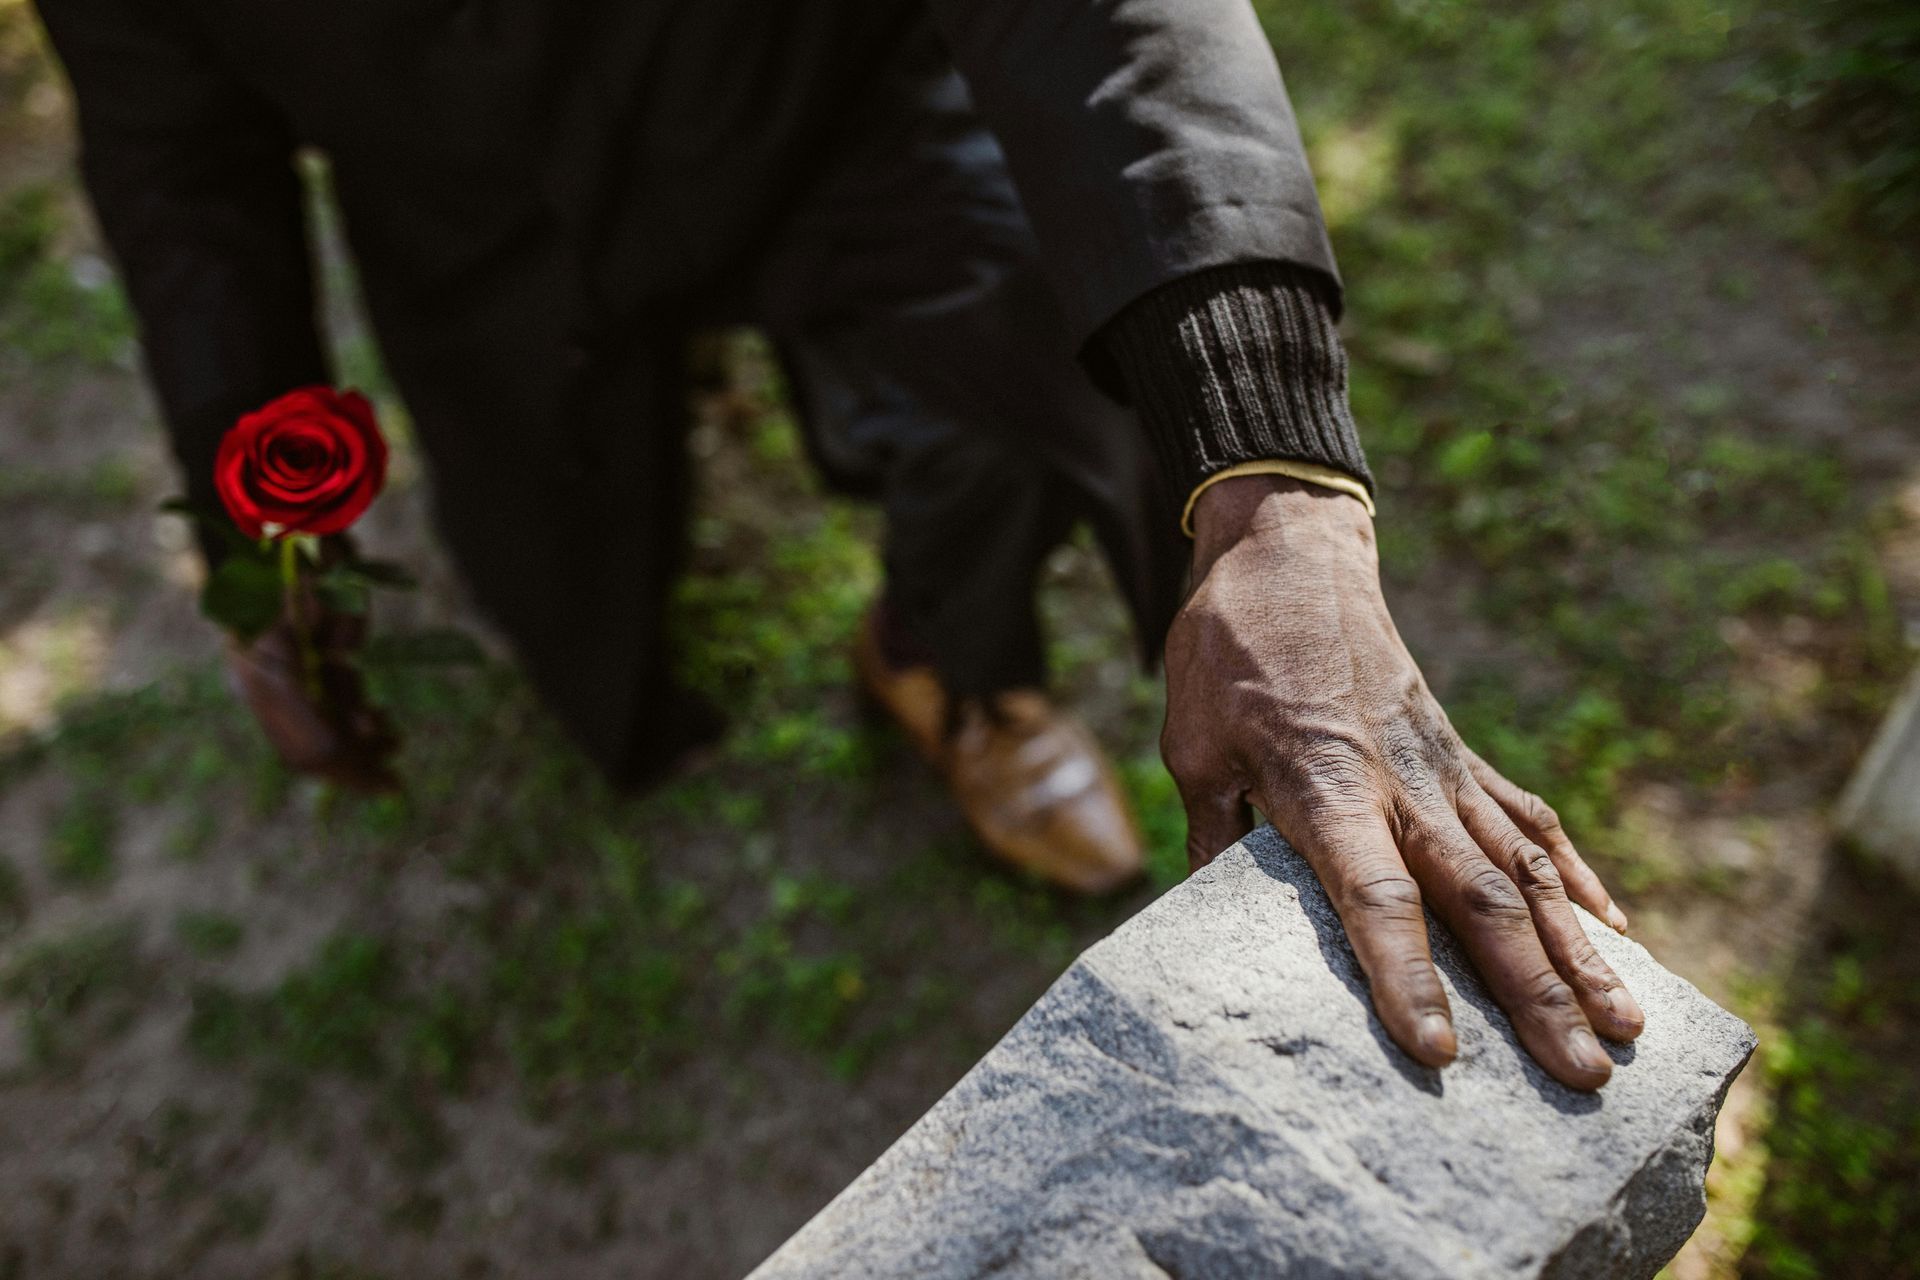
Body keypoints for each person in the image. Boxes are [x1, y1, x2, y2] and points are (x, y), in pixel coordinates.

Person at [31, 0, 1644, 1090]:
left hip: (824, 90)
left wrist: (1277, 482)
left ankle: (955, 668)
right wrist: (266, 553)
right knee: (555, 558)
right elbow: (185, 176)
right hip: (474, 208)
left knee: (1024, 393)